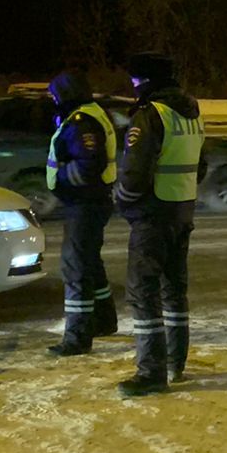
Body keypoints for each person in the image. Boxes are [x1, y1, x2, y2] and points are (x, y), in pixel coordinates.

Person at [113, 52, 205, 397]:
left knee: (143, 292)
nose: (134, 87)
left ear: (145, 81)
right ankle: (174, 362)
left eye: (135, 81)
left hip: (153, 214)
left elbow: (134, 173)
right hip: (182, 211)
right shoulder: (192, 114)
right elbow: (201, 165)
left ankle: (151, 373)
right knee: (174, 290)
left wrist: (123, 200)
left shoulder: (151, 116)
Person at [43, 69, 118, 357]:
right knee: (89, 263)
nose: (53, 100)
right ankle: (103, 321)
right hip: (92, 202)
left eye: (55, 94)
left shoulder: (81, 122)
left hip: (85, 204)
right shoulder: (89, 113)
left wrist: (61, 178)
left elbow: (88, 165)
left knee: (75, 267)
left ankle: (77, 337)